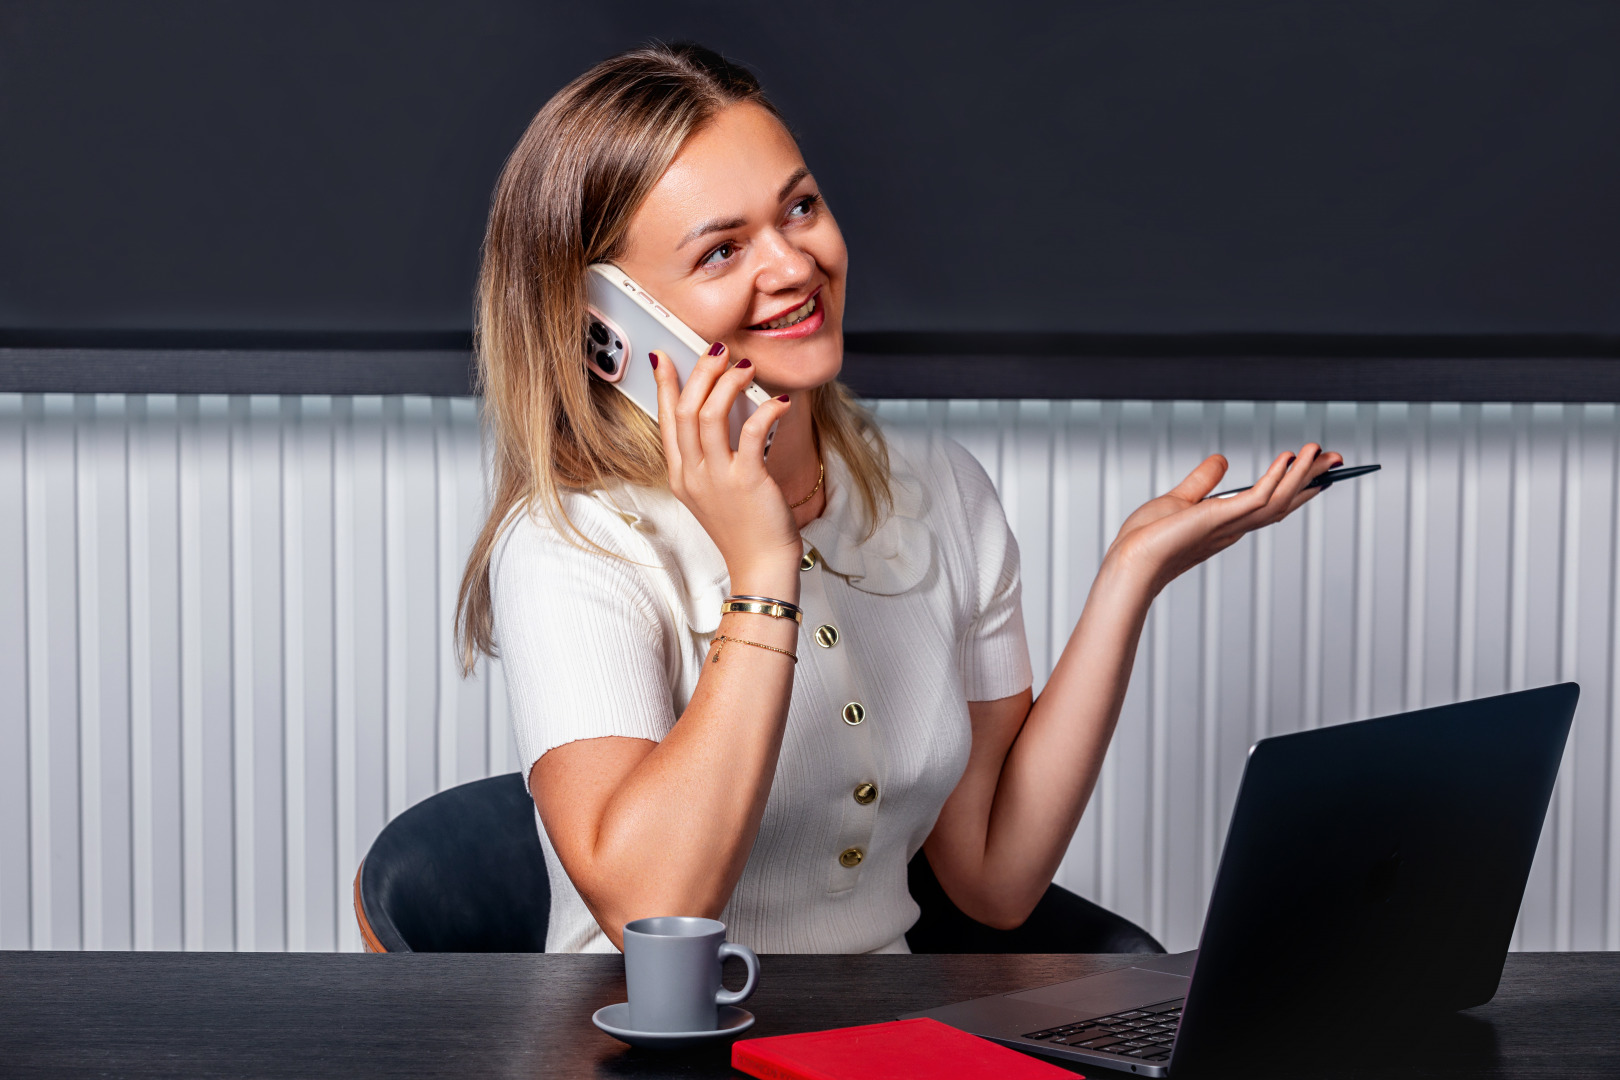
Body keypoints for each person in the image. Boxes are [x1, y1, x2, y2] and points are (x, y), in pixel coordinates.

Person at [455, 42, 1342, 955]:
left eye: (800, 208)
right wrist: (763, 569)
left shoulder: (941, 488)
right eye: (722, 251)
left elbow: (994, 881)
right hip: (656, 1027)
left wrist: (1129, 577)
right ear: (605, 325)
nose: (794, 265)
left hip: (887, 1025)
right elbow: (653, 912)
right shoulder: (573, 544)